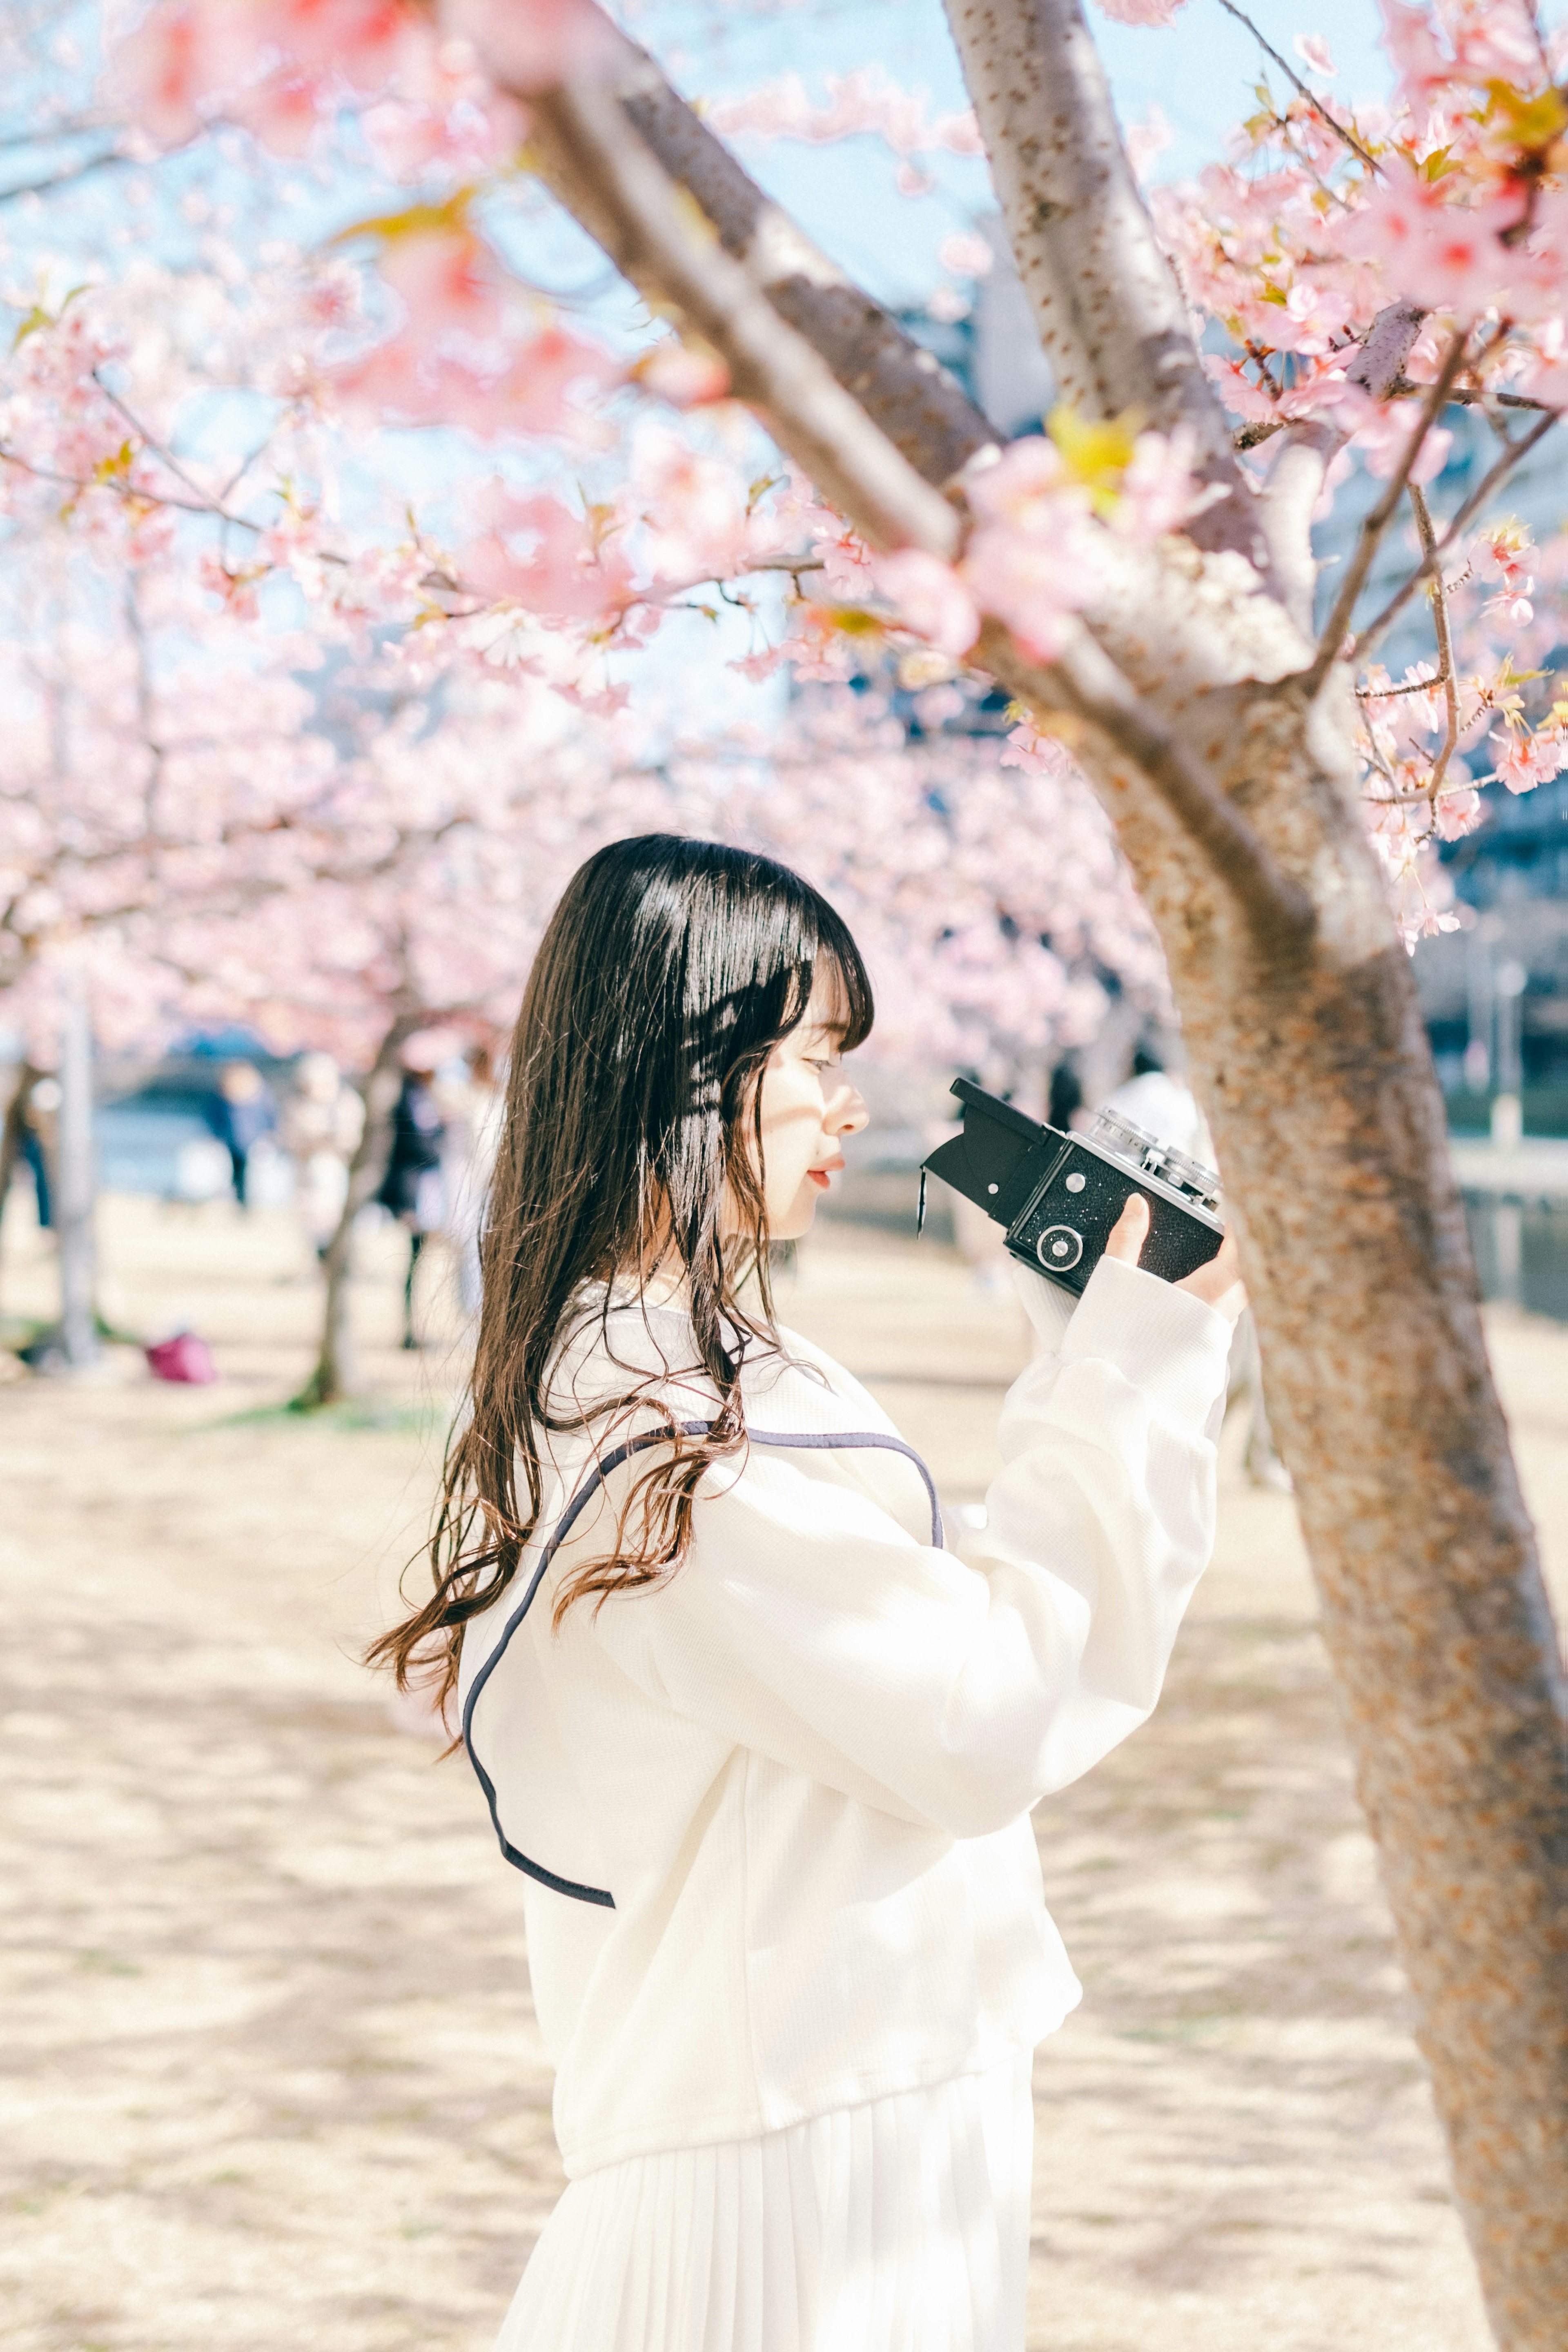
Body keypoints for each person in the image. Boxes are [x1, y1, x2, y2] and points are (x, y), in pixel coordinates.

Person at [370, 837, 1244, 2352]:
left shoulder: (677, 1376)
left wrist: (1099, 1350)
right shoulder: (659, 1435)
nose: (849, 1100)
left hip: (855, 2089)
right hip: (794, 2141)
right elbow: (979, 1710)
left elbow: (892, 1634)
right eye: (812, 1052)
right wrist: (1123, 1354)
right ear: (686, 1070)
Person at [376, 1055, 446, 1349]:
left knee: (420, 1264)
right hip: (412, 1194)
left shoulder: (422, 1099)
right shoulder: (407, 1101)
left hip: (425, 1191)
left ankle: (414, 1328)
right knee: (412, 1263)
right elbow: (416, 1146)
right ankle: (409, 1330)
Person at [280, 1051, 364, 1261]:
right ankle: (320, 1261)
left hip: (337, 1170)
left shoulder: (346, 1103)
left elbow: (354, 1138)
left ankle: (340, 1260)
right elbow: (290, 1140)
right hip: (307, 1173)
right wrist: (313, 1144)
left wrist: (336, 1142)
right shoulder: (296, 1105)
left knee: (336, 1219)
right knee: (313, 1222)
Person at [209, 1059, 276, 1211]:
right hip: (233, 1141)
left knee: (252, 1173)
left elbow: (269, 1114)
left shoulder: (259, 1094)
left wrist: (271, 1132)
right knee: (236, 1172)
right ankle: (240, 1202)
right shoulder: (224, 1094)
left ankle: (247, 1203)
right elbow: (216, 1117)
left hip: (253, 1140)